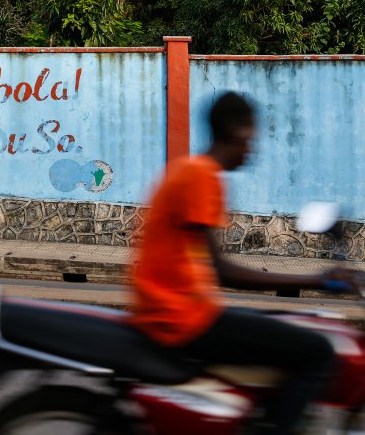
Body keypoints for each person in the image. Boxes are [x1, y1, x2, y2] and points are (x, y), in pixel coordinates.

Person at [129, 92, 352, 435]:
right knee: (319, 351)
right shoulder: (202, 177)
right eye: (252, 137)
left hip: (182, 309)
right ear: (236, 131)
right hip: (182, 319)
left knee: (282, 327)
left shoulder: (190, 169)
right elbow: (224, 271)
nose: (254, 149)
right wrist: (317, 281)